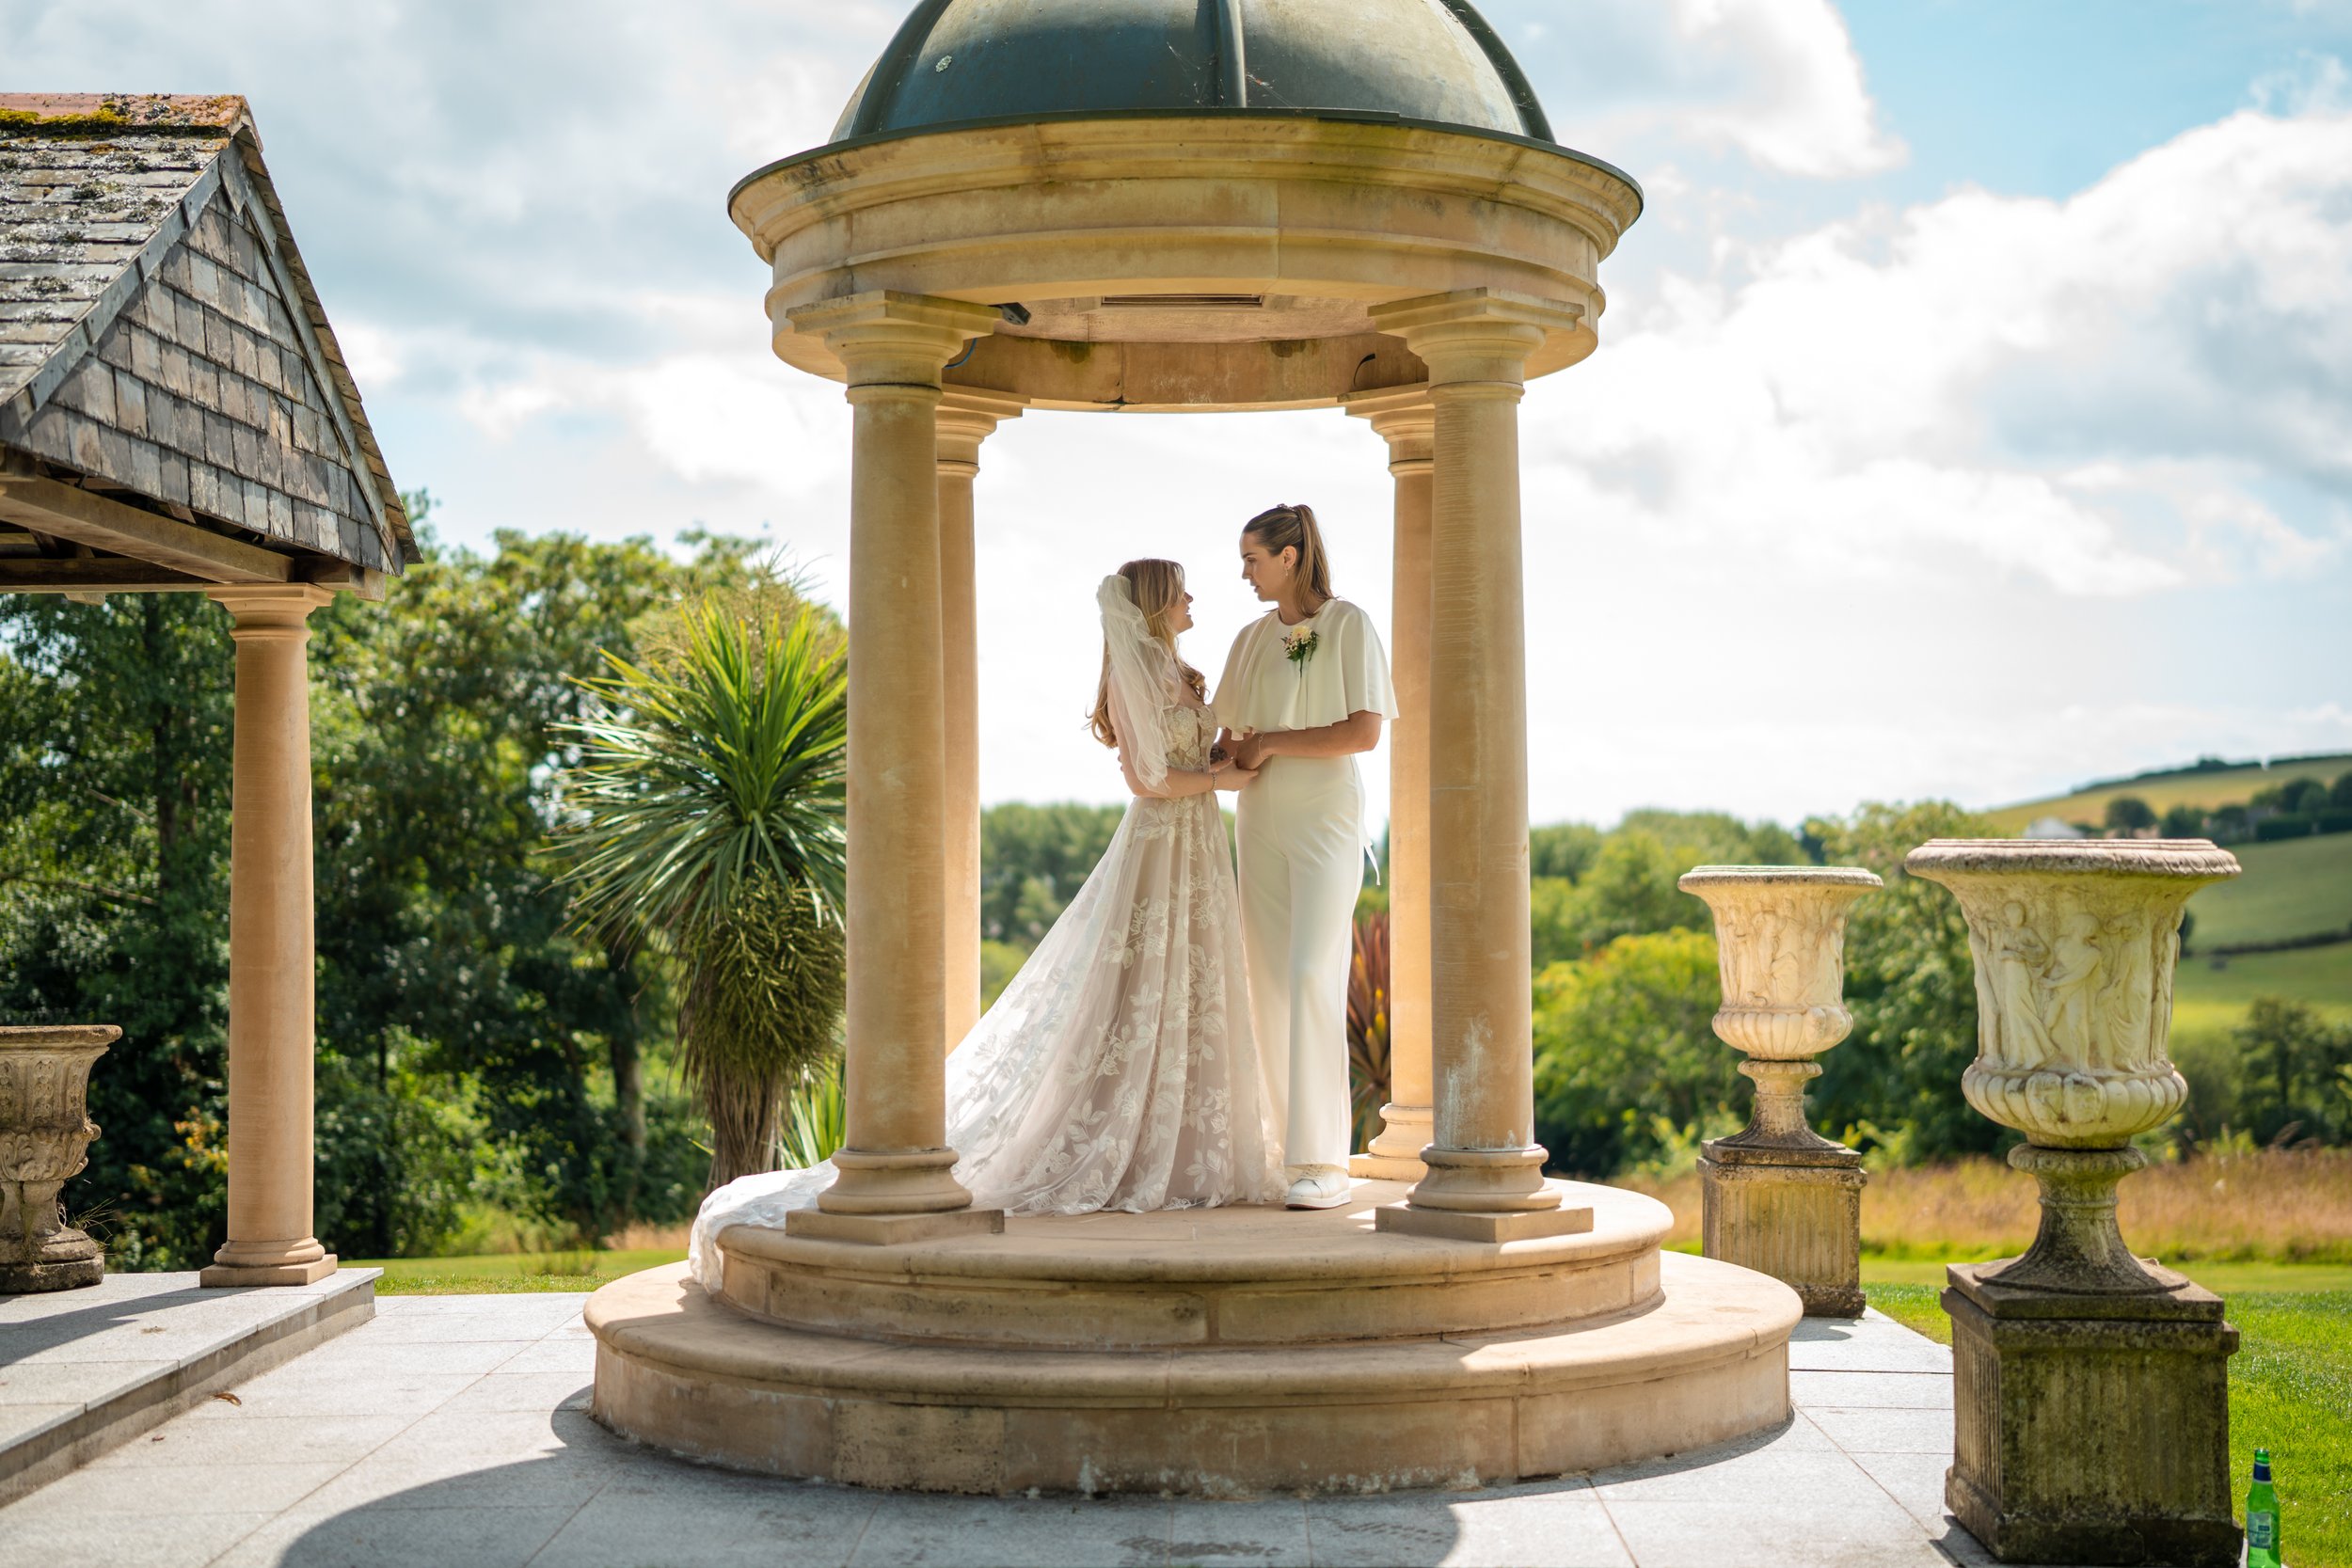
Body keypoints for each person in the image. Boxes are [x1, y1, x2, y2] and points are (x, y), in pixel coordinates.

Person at [688, 560, 1281, 1291]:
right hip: (1160, 841)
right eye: (1183, 589)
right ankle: (1112, 1136)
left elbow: (1194, 754)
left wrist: (1229, 754)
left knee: (1198, 980)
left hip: (1197, 843)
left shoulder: (1186, 675)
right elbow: (1146, 778)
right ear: (1157, 603)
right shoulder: (1133, 677)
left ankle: (1191, 1143)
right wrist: (1222, 779)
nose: (1194, 600)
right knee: (1134, 983)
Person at [1214, 503, 1397, 1210]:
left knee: (1311, 971)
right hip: (1258, 819)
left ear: (1289, 558)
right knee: (1268, 980)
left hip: (1324, 819)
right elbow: (1233, 740)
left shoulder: (1349, 625)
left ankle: (1325, 1161)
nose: (1244, 573)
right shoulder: (1249, 639)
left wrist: (1271, 742)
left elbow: (1363, 732)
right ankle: (1285, 1153)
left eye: (1252, 559)